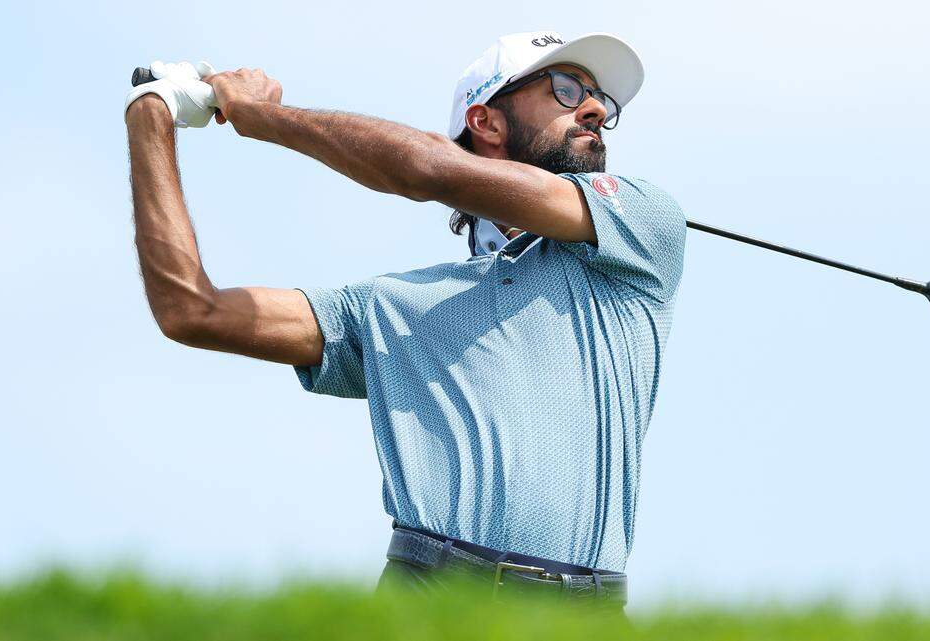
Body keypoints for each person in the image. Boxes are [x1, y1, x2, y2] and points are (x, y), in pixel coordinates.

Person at [123, 31, 685, 610]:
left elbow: (427, 169)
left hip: (584, 612)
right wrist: (150, 118)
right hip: (425, 599)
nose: (595, 108)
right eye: (566, 89)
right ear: (486, 122)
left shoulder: (642, 225)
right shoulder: (394, 308)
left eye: (601, 101)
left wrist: (264, 116)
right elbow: (191, 310)